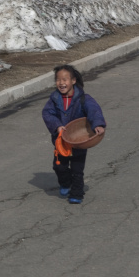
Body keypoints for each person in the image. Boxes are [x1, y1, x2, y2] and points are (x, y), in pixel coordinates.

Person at [42, 64, 106, 204]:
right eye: (58, 80)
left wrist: (98, 125)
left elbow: (94, 111)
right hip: (61, 142)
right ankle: (65, 183)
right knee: (59, 167)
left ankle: (77, 194)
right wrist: (57, 126)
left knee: (77, 169)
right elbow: (47, 113)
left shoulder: (84, 99)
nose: (61, 83)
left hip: (79, 142)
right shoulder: (54, 99)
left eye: (65, 79)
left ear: (73, 81)